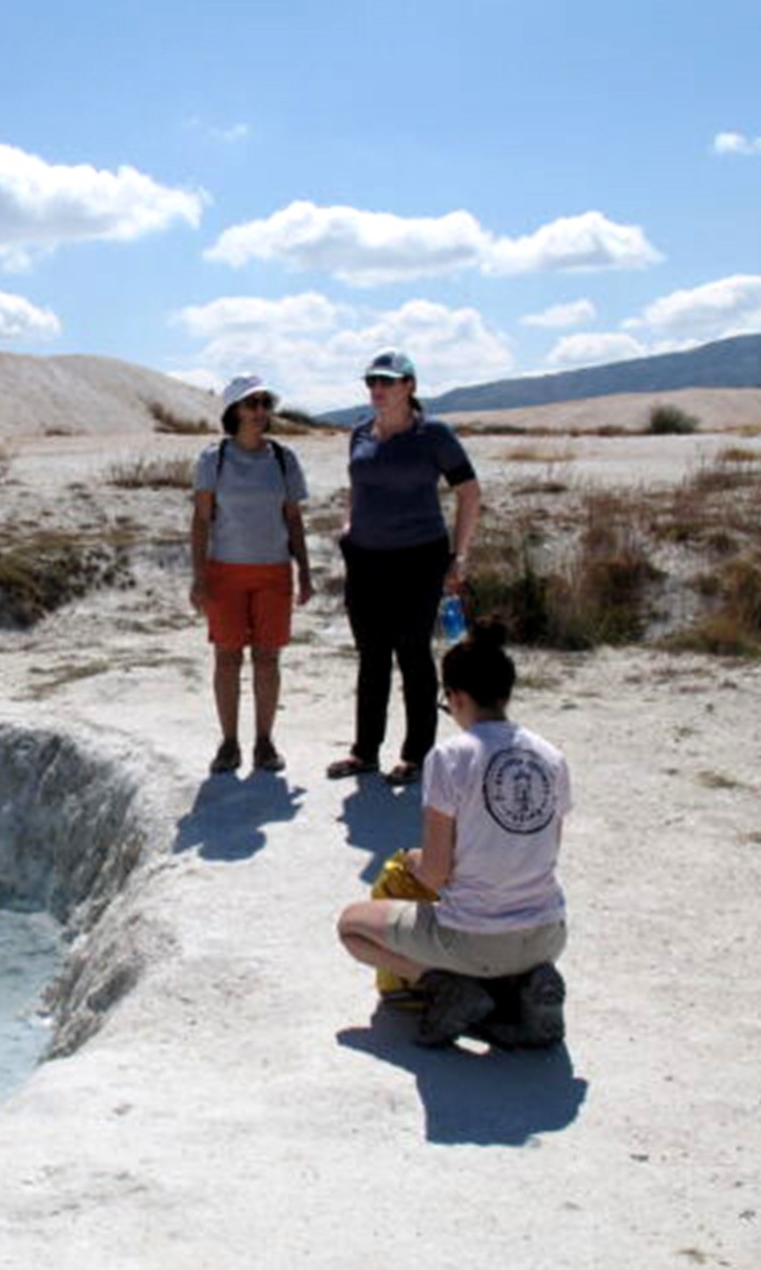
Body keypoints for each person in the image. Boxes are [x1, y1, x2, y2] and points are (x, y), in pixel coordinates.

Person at [335, 620, 571, 1047]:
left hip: (474, 939)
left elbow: (436, 875)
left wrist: (410, 859)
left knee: (352, 926)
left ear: (457, 697)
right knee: (495, 942)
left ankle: (448, 987)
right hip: (548, 933)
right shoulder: (551, 757)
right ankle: (520, 986)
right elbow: (546, 848)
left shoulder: (450, 757)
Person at [326, 348, 482, 786]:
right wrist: (348, 526)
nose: (377, 389)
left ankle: (417, 756)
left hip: (420, 557)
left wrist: (460, 553)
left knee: (412, 652)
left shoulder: (434, 435)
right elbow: (358, 487)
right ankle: (364, 751)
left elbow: (469, 492)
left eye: (387, 381)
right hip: (366, 558)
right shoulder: (359, 434)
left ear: (409, 386)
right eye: (372, 382)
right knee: (371, 656)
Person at [189, 375, 314, 775]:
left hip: (274, 571)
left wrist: (305, 572)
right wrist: (198, 576)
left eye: (264, 403)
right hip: (224, 571)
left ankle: (264, 742)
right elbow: (201, 521)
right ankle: (229, 743)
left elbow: (293, 519)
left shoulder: (283, 458)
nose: (260, 412)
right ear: (234, 411)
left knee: (267, 658)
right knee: (226, 657)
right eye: (252, 404)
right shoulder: (213, 459)